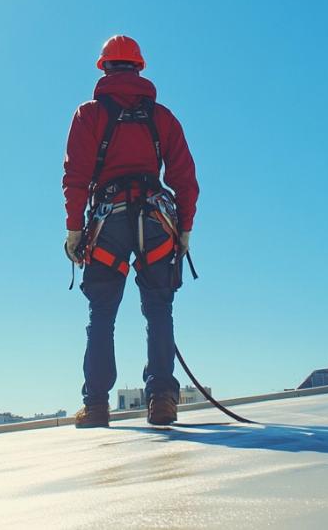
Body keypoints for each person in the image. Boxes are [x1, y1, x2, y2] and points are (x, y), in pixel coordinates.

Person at [62, 35, 199, 428]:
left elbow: (75, 177)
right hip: (155, 221)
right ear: (139, 68)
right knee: (159, 308)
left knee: (102, 312)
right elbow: (186, 180)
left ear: (104, 68)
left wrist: (74, 230)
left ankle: (98, 405)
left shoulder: (88, 115)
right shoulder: (163, 118)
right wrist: (184, 228)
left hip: (109, 221)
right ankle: (161, 401)